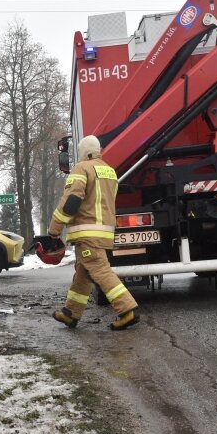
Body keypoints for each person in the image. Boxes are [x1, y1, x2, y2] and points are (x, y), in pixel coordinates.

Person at [49, 135, 139, 331]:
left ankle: (127, 310)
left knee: (100, 271)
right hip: (103, 233)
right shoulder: (109, 171)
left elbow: (71, 201)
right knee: (83, 272)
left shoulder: (81, 168)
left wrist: (55, 228)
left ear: (82, 151)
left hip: (87, 232)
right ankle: (70, 313)